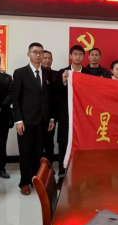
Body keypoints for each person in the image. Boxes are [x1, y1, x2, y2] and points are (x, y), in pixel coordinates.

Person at [13, 42, 55, 195]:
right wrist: (18, 120)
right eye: (35, 52)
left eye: (41, 52)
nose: (38, 55)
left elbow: (50, 98)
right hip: (26, 121)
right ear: (29, 54)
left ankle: (35, 180)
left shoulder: (47, 73)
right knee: (25, 152)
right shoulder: (20, 73)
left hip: (43, 121)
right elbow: (16, 98)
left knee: (39, 153)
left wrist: (51, 118)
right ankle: (24, 182)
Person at [55, 45, 93, 177]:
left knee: (83, 142)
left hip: (83, 116)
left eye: (80, 54)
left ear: (84, 57)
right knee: (64, 142)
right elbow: (56, 94)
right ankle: (62, 173)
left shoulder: (88, 74)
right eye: (75, 54)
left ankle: (81, 172)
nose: (77, 57)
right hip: (66, 115)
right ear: (70, 56)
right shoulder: (62, 72)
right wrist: (64, 82)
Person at [41, 50, 60, 166]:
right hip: (36, 115)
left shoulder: (57, 75)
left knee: (49, 142)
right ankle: (38, 168)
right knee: (37, 143)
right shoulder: (35, 74)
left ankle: (49, 167)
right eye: (45, 58)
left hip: (51, 114)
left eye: (49, 58)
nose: (47, 60)